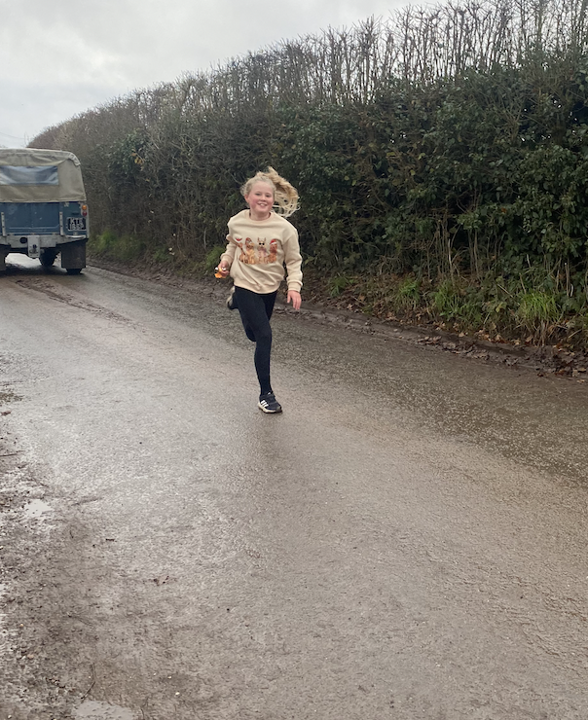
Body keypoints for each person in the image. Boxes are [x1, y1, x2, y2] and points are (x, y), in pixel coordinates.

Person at [216, 167, 302, 414]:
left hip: (270, 287)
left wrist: (294, 287)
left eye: (268, 195)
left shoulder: (285, 229)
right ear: (247, 197)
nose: (263, 199)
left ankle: (236, 302)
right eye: (258, 194)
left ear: (273, 199)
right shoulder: (237, 222)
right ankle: (266, 395)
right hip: (245, 284)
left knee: (254, 336)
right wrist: (225, 262)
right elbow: (232, 246)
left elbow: (293, 261)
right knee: (264, 335)